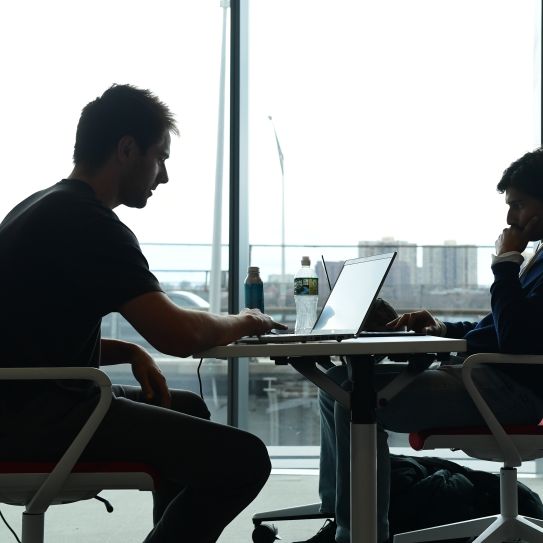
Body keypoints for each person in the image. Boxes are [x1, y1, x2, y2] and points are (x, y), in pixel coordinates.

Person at [0, 84, 287, 543]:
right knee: (246, 460)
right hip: (41, 423)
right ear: (127, 148)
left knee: (185, 405)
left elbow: (32, 336)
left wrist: (128, 348)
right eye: (161, 157)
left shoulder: (40, 206)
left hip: (22, 406)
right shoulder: (91, 225)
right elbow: (179, 335)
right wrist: (248, 321)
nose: (165, 176)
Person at [296, 147, 543, 543]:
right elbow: (504, 327)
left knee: (349, 390)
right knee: (339, 388)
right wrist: (441, 327)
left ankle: (358, 533)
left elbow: (515, 338)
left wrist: (506, 263)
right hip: (488, 379)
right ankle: (341, 517)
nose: (510, 218)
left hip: (513, 393)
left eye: (518, 205)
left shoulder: (527, 262)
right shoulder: (540, 258)